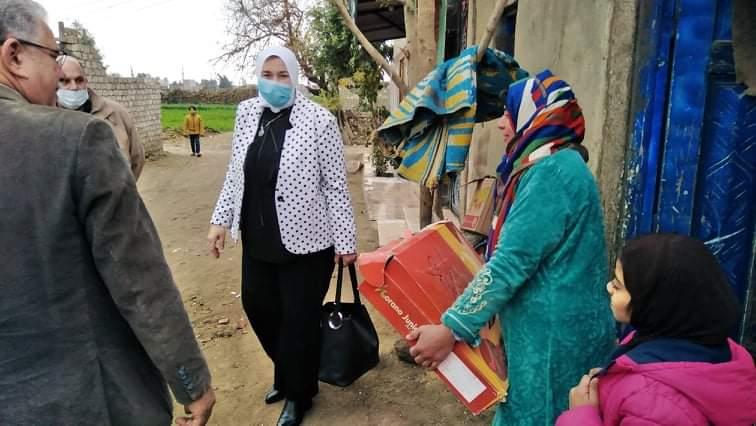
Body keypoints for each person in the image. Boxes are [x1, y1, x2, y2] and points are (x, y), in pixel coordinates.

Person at [0, 2, 215, 425]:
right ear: (14, 55)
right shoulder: (75, 140)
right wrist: (192, 383)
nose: (61, 72)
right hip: (85, 401)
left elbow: (135, 156)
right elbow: (138, 277)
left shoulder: (111, 118)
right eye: (53, 54)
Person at [406, 70, 616, 425]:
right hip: (559, 327)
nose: (502, 124)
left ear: (537, 116)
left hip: (552, 339)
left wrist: (451, 328)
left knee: (538, 413)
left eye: (509, 113)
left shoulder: (551, 173)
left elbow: (511, 262)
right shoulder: (556, 164)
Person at [207, 46, 357, 426]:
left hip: (308, 242)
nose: (274, 83)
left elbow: (336, 187)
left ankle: (298, 393)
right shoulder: (246, 114)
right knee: (259, 308)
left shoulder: (319, 121)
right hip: (259, 238)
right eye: (268, 75)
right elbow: (234, 175)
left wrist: (346, 242)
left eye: (283, 75)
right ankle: (290, 371)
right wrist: (219, 221)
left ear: (295, 77)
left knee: (298, 321)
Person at [557, 234, 756, 425]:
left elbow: (654, 403)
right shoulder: (718, 351)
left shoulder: (651, 404)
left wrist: (580, 414)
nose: (609, 287)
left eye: (618, 286)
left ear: (654, 304)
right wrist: (617, 381)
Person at [58, 56, 145, 180]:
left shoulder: (116, 113)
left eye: (79, 80)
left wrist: (121, 193)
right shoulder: (45, 118)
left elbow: (137, 158)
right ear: (53, 83)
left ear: (86, 81)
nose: (74, 87)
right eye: (65, 81)